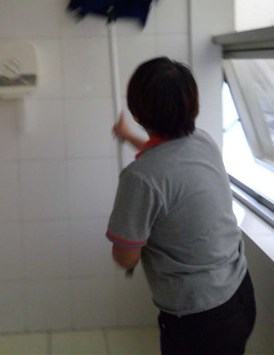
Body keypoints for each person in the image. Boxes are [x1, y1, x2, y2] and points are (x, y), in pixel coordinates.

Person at [106, 57, 256, 355]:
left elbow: (126, 258)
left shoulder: (140, 178)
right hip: (240, 294)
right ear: (193, 105)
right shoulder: (203, 141)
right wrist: (129, 137)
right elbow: (167, 161)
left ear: (137, 113)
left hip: (199, 319)